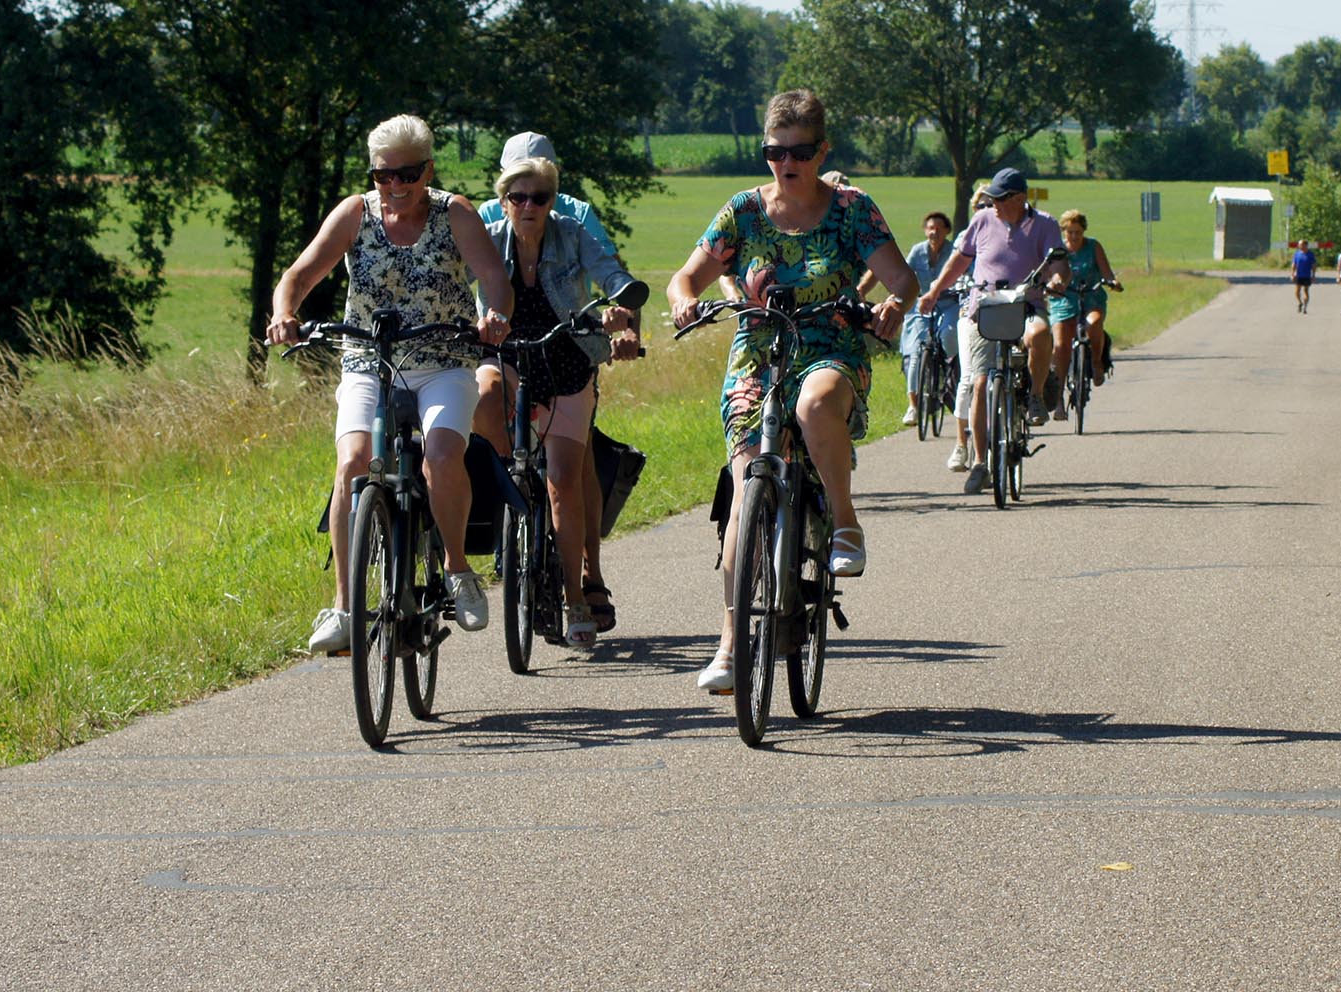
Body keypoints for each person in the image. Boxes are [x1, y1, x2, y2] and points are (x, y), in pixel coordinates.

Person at [667, 90, 914, 694]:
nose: (787, 163)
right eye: (775, 151)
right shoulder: (744, 212)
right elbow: (686, 275)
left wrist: (892, 306)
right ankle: (729, 645)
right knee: (746, 483)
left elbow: (902, 277)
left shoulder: (853, 210)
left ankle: (846, 523)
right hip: (758, 354)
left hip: (831, 348)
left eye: (800, 151)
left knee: (812, 406)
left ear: (821, 150)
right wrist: (683, 302)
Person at [268, 114, 513, 654]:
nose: (395, 187)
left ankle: (456, 568)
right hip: (368, 359)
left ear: (427, 170)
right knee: (352, 463)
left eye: (407, 174)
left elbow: (494, 278)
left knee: (444, 454)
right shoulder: (355, 213)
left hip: (444, 357)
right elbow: (299, 275)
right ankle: (343, 607)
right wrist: (286, 313)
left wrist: (494, 314)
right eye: (384, 176)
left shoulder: (456, 215)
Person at [473, 156, 640, 649]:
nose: (528, 206)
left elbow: (612, 276)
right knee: (483, 398)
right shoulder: (485, 233)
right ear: (503, 203)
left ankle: (573, 597)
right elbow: (451, 276)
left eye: (539, 197)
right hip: (504, 353)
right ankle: (507, 478)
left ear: (551, 202)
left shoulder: (571, 232)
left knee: (565, 480)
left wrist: (623, 316)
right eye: (518, 198)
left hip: (567, 356)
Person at [918, 168, 1069, 496]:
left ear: (1020, 198)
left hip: (1026, 304)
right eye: (992, 198)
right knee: (980, 381)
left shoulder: (1044, 224)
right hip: (984, 308)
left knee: (1040, 334)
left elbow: (1058, 265)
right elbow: (959, 261)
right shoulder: (983, 220)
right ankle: (980, 463)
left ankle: (1036, 396)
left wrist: (1057, 280)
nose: (994, 204)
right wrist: (933, 291)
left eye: (1001, 199)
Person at [867, 211, 958, 429]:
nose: (933, 231)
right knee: (915, 351)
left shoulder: (954, 251)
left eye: (938, 227)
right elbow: (903, 276)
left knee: (948, 337)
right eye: (929, 227)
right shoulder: (918, 251)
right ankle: (914, 405)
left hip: (947, 304)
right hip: (920, 306)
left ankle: (948, 378)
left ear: (946, 230)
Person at [946, 188, 992, 473]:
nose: (986, 209)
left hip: (1006, 309)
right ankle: (961, 443)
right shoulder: (967, 237)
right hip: (971, 312)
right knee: (969, 377)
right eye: (981, 205)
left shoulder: (1005, 234)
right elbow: (955, 268)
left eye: (991, 204)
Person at [1056, 209, 1121, 390]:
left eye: (1078, 232)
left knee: (1094, 322)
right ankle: (1059, 386)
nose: (1074, 236)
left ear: (1084, 231)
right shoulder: (1059, 250)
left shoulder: (1093, 246)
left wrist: (1112, 282)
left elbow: (1106, 272)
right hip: (1066, 298)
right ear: (1064, 232)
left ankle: (1096, 362)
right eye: (1070, 232)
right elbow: (1051, 274)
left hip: (1091, 296)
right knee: (1060, 343)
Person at [1291, 240, 1316, 314]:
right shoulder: (1297, 254)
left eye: (1301, 245)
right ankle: (1300, 302)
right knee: (1297, 291)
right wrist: (1292, 274)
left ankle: (1305, 306)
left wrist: (1313, 275)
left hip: (1307, 275)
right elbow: (1294, 264)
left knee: (1306, 290)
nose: (1299, 246)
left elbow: (1313, 265)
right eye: (1299, 245)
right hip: (1298, 275)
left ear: (1305, 245)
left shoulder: (1310, 254)